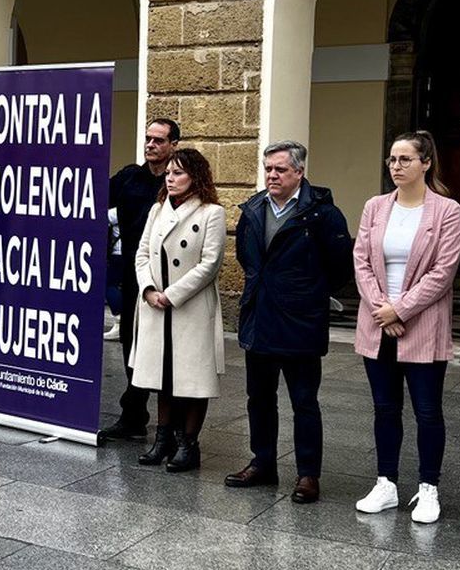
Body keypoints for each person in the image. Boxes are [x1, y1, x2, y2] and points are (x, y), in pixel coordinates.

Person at [225, 140, 351, 503]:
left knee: (304, 401)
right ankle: (262, 462)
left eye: (280, 169)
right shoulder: (254, 209)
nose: (272, 175)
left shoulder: (322, 214)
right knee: (259, 398)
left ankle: (308, 473)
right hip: (260, 318)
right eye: (268, 168)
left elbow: (340, 267)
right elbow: (246, 257)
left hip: (300, 322)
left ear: (299, 172)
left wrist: (306, 293)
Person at [351, 132, 460, 524]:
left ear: (426, 163)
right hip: (378, 322)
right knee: (385, 408)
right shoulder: (375, 207)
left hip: (422, 323)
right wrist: (382, 309)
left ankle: (428, 487)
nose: (396, 166)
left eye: (405, 159)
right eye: (392, 159)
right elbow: (361, 261)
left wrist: (400, 310)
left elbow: (443, 271)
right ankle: (386, 483)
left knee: (427, 410)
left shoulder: (446, 211)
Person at [132, 148, 226, 473]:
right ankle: (163, 440)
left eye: (178, 173)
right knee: (164, 376)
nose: (170, 179)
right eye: (169, 173)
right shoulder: (157, 209)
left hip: (190, 307)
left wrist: (172, 295)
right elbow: (142, 253)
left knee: (193, 379)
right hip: (155, 305)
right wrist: (148, 289)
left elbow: (210, 263)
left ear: (195, 177)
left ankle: (188, 444)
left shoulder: (212, 213)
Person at [100, 117, 179, 441]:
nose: (151, 144)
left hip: (170, 279)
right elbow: (92, 196)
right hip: (134, 276)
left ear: (173, 145)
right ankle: (133, 415)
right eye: (148, 138)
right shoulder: (130, 177)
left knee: (168, 351)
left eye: (159, 140)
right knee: (132, 344)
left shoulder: (179, 181)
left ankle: (173, 426)